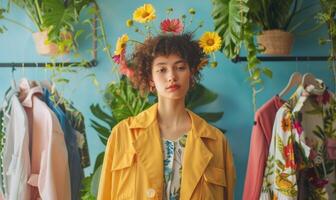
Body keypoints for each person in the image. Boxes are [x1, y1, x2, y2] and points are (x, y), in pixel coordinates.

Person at [97, 33, 236, 200]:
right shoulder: (122, 135)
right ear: (150, 79)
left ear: (191, 73)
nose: (171, 76)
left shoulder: (215, 140)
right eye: (162, 69)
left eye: (180, 67)